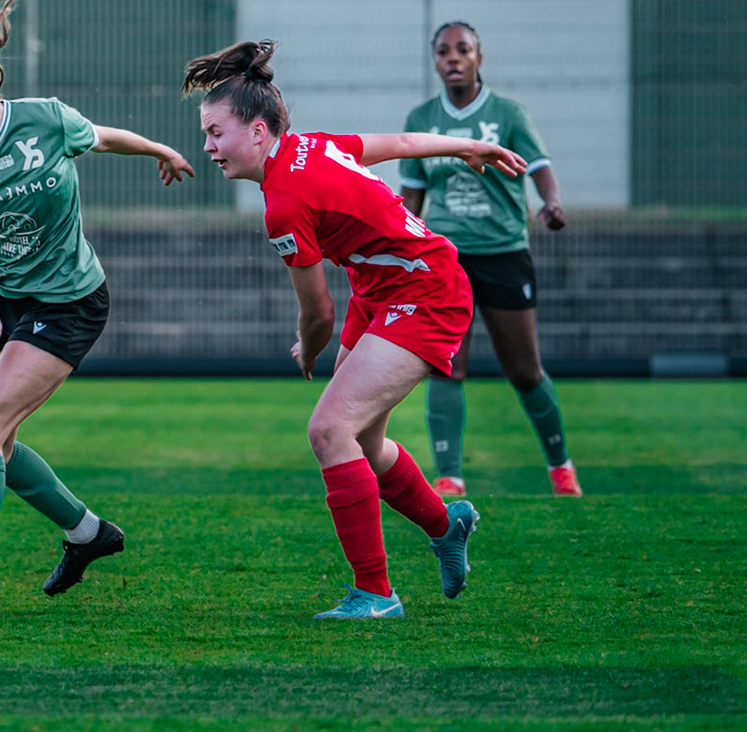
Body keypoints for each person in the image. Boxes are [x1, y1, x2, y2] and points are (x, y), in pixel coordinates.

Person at [184, 40, 525, 619]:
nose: (208, 146)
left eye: (217, 132)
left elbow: (317, 313)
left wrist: (308, 348)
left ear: (260, 131)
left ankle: (375, 594)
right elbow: (403, 145)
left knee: (328, 430)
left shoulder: (283, 205)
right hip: (381, 289)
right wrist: (466, 145)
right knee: (361, 439)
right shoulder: (310, 145)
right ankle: (447, 526)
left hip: (425, 293)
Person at [0, 0, 194, 620]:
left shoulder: (45, 120)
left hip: (70, 305)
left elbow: (103, 137)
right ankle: (89, 535)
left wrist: (162, 152)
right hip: (13, 304)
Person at [398, 22, 579, 498]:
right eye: (443, 51)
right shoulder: (420, 118)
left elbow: (540, 169)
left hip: (504, 253)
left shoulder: (508, 114)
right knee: (446, 365)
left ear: (479, 57)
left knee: (523, 369)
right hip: (445, 259)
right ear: (434, 60)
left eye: (463, 49)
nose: (453, 58)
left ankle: (561, 467)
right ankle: (450, 477)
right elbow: (411, 197)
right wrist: (397, 247)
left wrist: (551, 203)